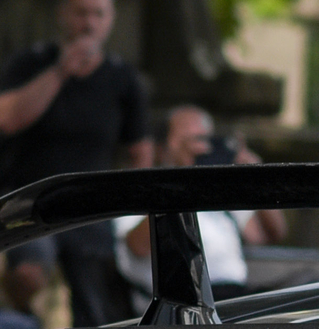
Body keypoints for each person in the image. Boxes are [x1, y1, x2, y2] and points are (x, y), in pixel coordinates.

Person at [0, 0, 150, 325]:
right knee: (29, 274)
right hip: (30, 196)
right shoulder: (30, 63)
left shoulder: (123, 79)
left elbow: (140, 150)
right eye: (81, 12)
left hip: (89, 203)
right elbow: (4, 119)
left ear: (111, 20)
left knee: (96, 302)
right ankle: (16, 320)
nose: (89, 23)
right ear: (62, 14)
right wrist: (61, 71)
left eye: (98, 14)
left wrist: (130, 206)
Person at [113, 106, 287, 307]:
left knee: (313, 288)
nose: (198, 147)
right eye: (186, 139)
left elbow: (271, 234)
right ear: (162, 148)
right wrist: (185, 180)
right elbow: (138, 246)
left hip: (235, 298)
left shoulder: (220, 194)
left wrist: (256, 177)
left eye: (203, 139)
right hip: (183, 305)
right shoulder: (141, 194)